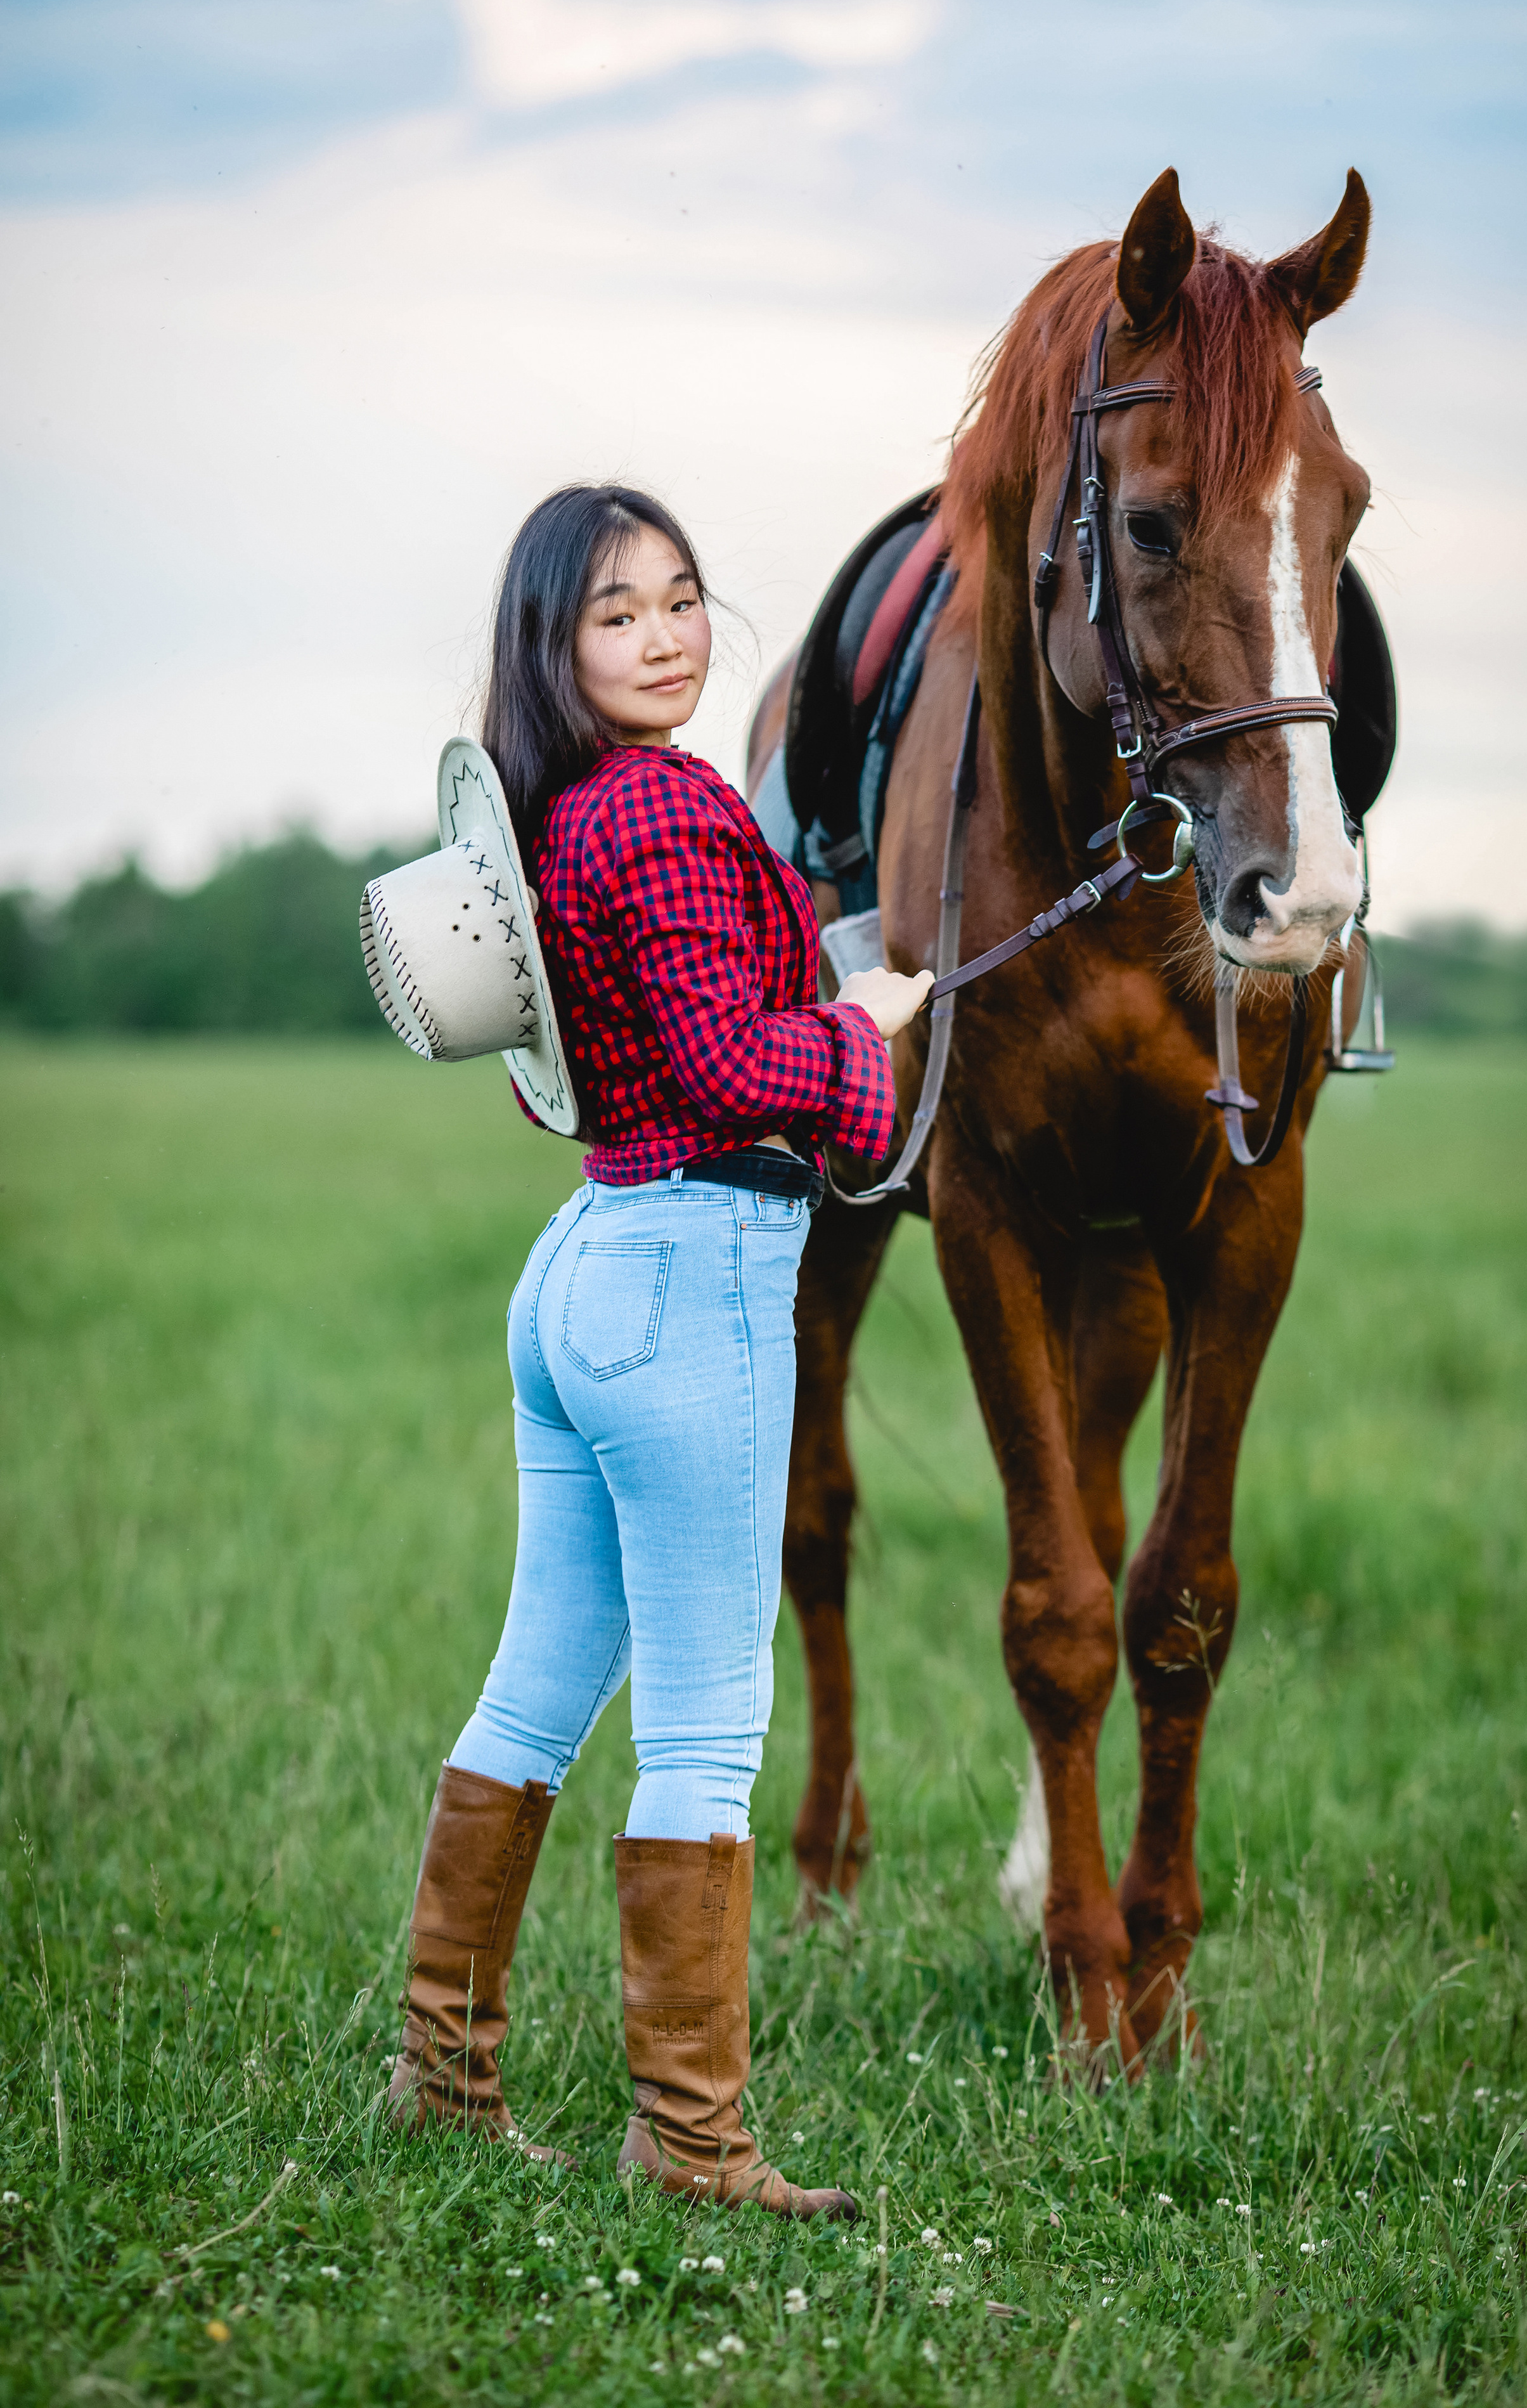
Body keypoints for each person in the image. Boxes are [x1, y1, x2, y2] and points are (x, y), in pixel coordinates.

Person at [388, 483, 932, 2219]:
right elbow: (725, 1064)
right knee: (708, 1726)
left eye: (685, 598)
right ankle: (694, 2147)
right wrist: (862, 1039)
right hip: (691, 1267)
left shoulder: (570, 813)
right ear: (555, 647)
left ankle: (442, 2082)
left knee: (538, 1692)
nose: (668, 633)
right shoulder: (671, 808)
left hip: (587, 1265)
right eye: (619, 614)